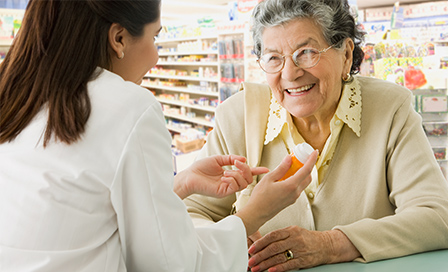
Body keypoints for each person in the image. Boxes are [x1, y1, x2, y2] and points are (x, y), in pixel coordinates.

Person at [0, 0, 319, 271]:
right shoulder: (129, 108)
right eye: (154, 37)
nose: (155, 57)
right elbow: (172, 264)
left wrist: (175, 186)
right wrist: (254, 213)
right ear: (119, 38)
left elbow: (82, 206)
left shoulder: (17, 98)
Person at [184, 0, 448, 271]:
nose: (290, 73)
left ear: (346, 54)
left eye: (306, 52)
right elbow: (188, 215)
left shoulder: (390, 108)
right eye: (274, 58)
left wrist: (332, 244)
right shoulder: (237, 117)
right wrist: (234, 232)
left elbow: (437, 217)